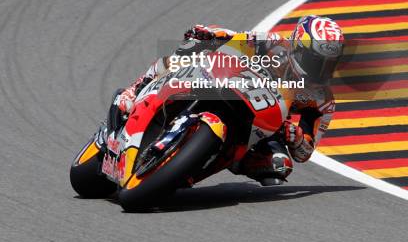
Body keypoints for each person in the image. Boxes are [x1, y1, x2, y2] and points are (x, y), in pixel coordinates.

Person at [105, 16, 344, 185]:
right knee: (182, 57)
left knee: (281, 164)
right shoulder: (274, 44)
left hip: (265, 129)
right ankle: (134, 90)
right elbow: (240, 38)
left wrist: (297, 137)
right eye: (316, 61)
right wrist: (213, 34)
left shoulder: (322, 99)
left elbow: (305, 153)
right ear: (298, 49)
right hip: (235, 89)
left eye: (329, 64)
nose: (322, 70)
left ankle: (197, 164)